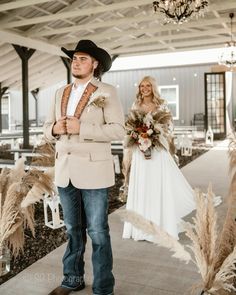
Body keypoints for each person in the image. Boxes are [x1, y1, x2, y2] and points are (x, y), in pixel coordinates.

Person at [44, 40, 125, 295]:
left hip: (93, 172)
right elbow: (48, 128)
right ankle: (72, 279)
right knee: (72, 230)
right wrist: (53, 130)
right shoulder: (60, 92)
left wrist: (84, 129)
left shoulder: (107, 91)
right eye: (74, 59)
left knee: (99, 233)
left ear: (95, 64)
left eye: (82, 59)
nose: (76, 63)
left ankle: (103, 287)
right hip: (65, 171)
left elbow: (118, 130)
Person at [122, 75, 197, 241]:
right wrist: (138, 138)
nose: (145, 89)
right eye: (142, 86)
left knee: (157, 184)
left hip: (157, 150)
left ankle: (161, 224)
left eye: (148, 85)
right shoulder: (136, 105)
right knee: (143, 184)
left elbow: (169, 126)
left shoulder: (161, 104)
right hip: (140, 151)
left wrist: (156, 136)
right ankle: (141, 227)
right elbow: (131, 125)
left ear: (153, 87)